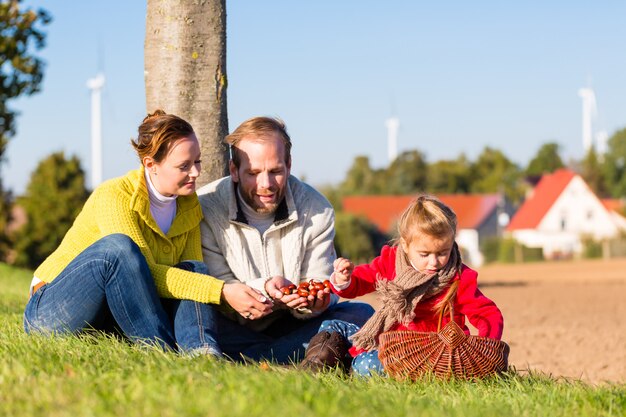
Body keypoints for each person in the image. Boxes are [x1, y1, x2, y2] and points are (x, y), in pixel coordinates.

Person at [23, 110, 250, 356]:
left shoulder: (188, 203)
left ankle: (202, 352)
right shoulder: (115, 195)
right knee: (119, 249)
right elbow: (139, 272)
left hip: (110, 317)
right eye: (184, 166)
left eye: (197, 161)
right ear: (151, 165)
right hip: (52, 309)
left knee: (195, 270)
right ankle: (162, 352)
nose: (195, 173)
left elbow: (190, 277)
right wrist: (221, 290)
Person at [197, 116, 374, 364]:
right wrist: (265, 288)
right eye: (254, 173)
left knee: (360, 312)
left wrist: (315, 303)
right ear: (234, 170)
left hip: (294, 325)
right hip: (233, 324)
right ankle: (304, 356)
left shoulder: (317, 208)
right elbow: (218, 284)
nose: (266, 184)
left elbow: (322, 280)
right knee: (195, 317)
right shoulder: (205, 206)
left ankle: (259, 359)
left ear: (289, 165)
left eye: (276, 171)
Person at [301, 195, 504, 375]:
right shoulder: (391, 262)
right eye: (424, 254)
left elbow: (486, 314)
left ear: (452, 242)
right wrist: (345, 280)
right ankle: (316, 366)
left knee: (366, 365)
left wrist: (484, 347)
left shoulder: (458, 277)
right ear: (405, 246)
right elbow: (363, 280)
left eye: (443, 252)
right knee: (332, 326)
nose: (434, 262)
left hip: (424, 356)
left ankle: (345, 365)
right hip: (387, 341)